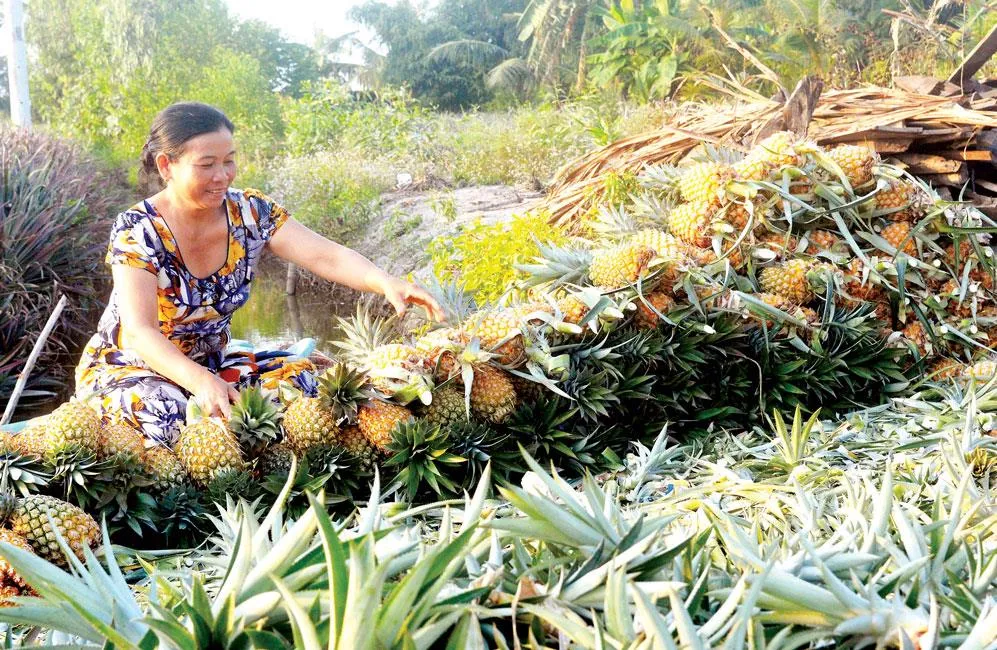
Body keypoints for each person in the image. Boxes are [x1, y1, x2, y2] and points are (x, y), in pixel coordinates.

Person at [75, 102, 443, 447]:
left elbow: (325, 255)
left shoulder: (249, 211)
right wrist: (201, 382)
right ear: (166, 165)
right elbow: (140, 333)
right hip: (134, 368)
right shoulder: (138, 229)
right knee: (169, 419)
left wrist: (384, 281)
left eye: (229, 161)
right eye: (206, 165)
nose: (222, 176)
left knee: (310, 384)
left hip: (212, 362)